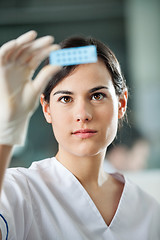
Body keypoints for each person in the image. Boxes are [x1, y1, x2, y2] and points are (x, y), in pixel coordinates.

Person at [0, 30, 159, 240]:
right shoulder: (18, 191)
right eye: (66, 99)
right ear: (47, 109)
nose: (82, 115)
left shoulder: (148, 210)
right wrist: (6, 134)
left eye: (97, 95)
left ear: (121, 104)